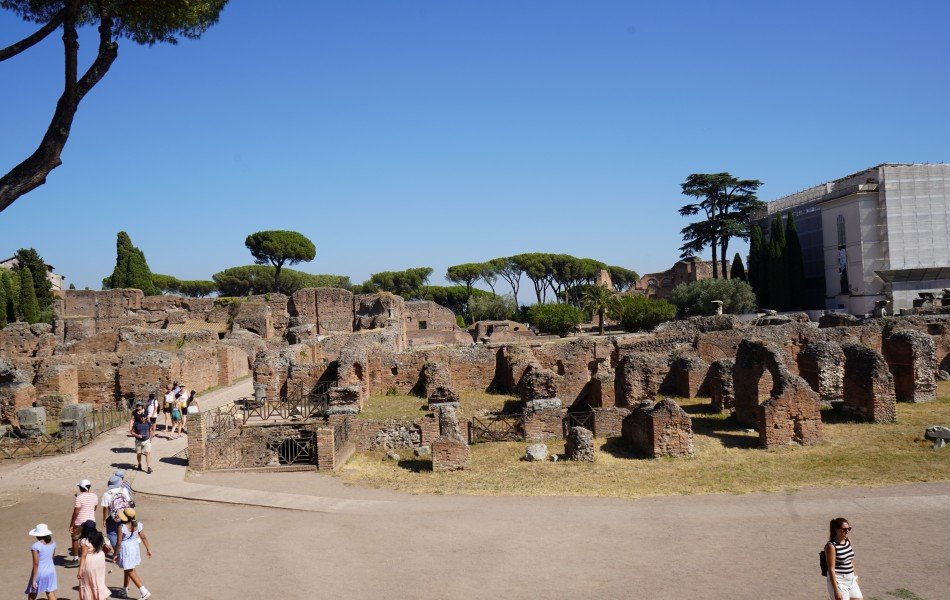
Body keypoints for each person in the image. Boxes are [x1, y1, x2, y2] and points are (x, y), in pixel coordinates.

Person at [115, 509, 152, 600]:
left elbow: (119, 543)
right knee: (128, 569)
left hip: (126, 549)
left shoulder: (121, 527)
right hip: (134, 548)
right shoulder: (138, 525)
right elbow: (143, 537)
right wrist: (148, 549)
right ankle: (124, 589)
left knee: (129, 570)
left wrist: (115, 554)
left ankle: (143, 591)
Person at [825, 517, 863, 600]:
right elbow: (831, 568)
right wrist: (836, 590)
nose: (847, 531)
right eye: (844, 529)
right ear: (836, 529)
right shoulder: (831, 546)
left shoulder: (848, 541)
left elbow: (850, 560)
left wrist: (855, 576)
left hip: (851, 579)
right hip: (839, 581)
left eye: (849, 528)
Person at [67, 480, 98, 567]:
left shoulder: (79, 498)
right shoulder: (95, 496)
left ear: (81, 488)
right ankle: (91, 557)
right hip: (91, 522)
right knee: (89, 539)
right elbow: (94, 508)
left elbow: (76, 512)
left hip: (79, 522)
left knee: (75, 539)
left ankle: (76, 559)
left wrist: (71, 525)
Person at [77, 525, 111, 600]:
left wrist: (80, 570)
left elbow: (84, 555)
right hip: (100, 559)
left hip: (90, 562)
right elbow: (108, 549)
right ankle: (103, 596)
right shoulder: (100, 536)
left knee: (87, 583)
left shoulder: (85, 541)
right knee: (99, 580)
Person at [25, 523, 57, 600]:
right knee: (50, 593)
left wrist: (33, 580)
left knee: (32, 594)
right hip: (51, 571)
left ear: (38, 535)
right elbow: (51, 558)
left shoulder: (36, 546)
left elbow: (36, 563)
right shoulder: (53, 543)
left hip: (40, 572)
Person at [101, 475, 132, 550]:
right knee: (124, 532)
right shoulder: (124, 490)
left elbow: (105, 508)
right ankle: (125, 549)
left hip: (114, 517)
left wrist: (105, 519)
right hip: (125, 515)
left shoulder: (107, 494)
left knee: (111, 534)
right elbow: (128, 502)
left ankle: (117, 551)